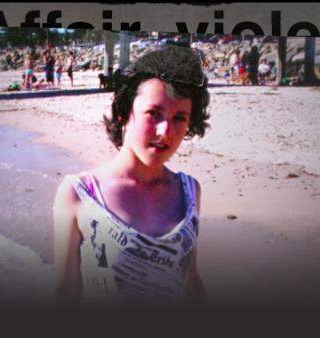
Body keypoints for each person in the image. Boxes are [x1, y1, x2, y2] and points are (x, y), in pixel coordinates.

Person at [53, 45, 210, 307]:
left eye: (180, 118)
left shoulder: (190, 191)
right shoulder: (80, 193)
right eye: (154, 113)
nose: (165, 131)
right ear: (125, 112)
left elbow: (191, 279)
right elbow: (66, 293)